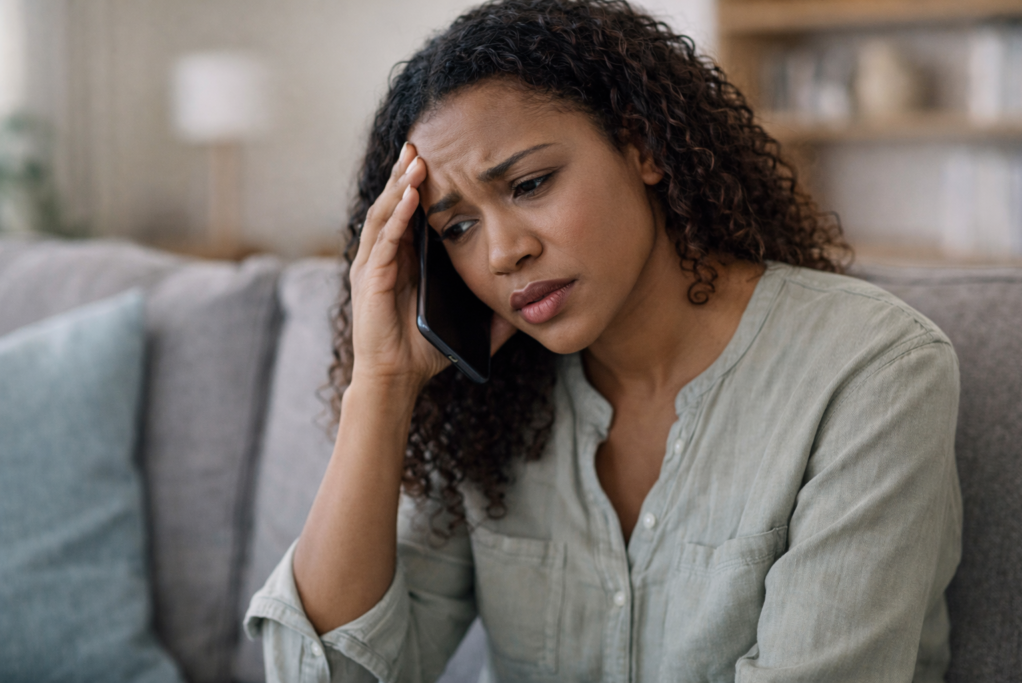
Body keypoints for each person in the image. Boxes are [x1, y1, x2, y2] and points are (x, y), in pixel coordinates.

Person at [243, 1, 962, 681]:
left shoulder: (870, 369)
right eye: (457, 227)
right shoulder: (492, 405)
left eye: (529, 184)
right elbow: (330, 672)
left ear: (643, 146)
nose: (503, 253)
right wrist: (381, 384)